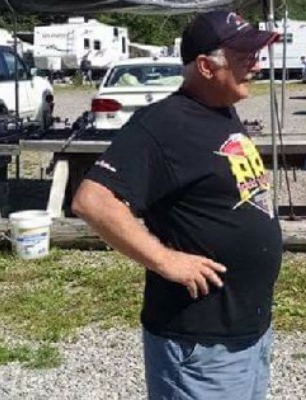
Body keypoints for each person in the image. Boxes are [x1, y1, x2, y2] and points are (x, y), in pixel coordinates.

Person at [72, 11, 281, 400]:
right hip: (199, 346)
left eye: (256, 55)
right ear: (205, 66)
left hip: (248, 333)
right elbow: (93, 200)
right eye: (244, 56)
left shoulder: (223, 110)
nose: (256, 64)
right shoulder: (162, 124)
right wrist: (165, 260)